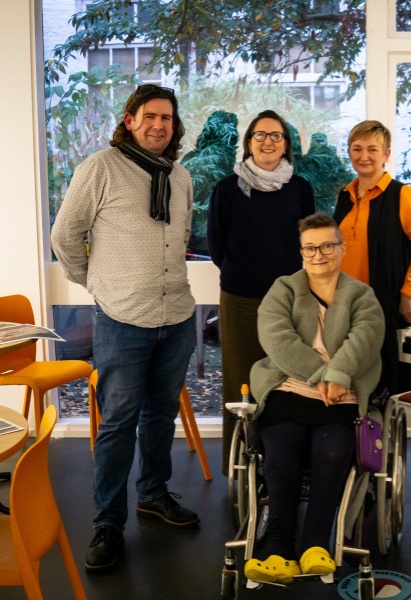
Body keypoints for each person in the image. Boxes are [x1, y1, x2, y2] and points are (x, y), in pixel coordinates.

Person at [51, 84, 199, 572]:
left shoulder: (180, 177)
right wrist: (96, 282)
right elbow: (65, 236)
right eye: (150, 116)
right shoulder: (100, 168)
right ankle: (107, 523)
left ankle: (153, 493)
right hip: (122, 320)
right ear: (130, 119)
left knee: (160, 417)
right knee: (116, 423)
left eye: (167, 117)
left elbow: (177, 240)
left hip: (176, 317)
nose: (159, 124)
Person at [243, 213, 384, 583]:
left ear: (341, 248)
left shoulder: (360, 294)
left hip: (343, 396)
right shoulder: (284, 289)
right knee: (281, 452)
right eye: (310, 248)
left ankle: (315, 544)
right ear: (301, 251)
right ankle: (277, 548)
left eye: (326, 246)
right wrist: (322, 374)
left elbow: (367, 336)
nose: (318, 254)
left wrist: (339, 375)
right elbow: (276, 338)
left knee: (333, 451)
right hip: (289, 389)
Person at [207, 110, 315, 472]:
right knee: (241, 383)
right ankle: (238, 465)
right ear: (248, 142)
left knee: (286, 381)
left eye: (276, 135)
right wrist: (244, 273)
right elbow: (217, 245)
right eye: (260, 135)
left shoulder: (300, 188)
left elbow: (308, 243)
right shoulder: (227, 189)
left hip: (289, 301)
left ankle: (280, 465)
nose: (268, 141)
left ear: (286, 144)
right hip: (240, 299)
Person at [334, 120, 411, 394]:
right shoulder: (345, 196)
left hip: (382, 305)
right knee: (349, 385)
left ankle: (382, 437)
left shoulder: (402, 195)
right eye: (357, 148)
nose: (364, 156)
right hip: (344, 306)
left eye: (372, 149)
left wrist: (409, 293)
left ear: (386, 154)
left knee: (384, 386)